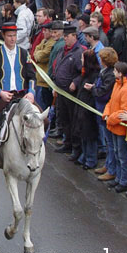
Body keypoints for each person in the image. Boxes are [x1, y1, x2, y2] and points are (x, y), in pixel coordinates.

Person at [0, 23, 36, 178]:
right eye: (10, 36)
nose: (13, 39)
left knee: (42, 122)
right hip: (4, 96)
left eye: (14, 36)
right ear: (4, 36)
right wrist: (0, 92)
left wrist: (31, 93)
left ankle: (35, 154)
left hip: (22, 96)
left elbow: (32, 76)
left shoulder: (24, 53)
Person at [52, 24, 85, 157]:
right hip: (60, 90)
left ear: (74, 36)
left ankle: (76, 148)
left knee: (73, 120)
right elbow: (57, 67)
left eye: (67, 36)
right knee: (64, 119)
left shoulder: (78, 52)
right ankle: (67, 143)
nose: (65, 38)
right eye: (64, 36)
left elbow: (82, 72)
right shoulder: (62, 50)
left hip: (71, 93)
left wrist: (75, 82)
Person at [102, 61, 127, 193]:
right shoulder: (117, 84)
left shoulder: (126, 89)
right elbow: (110, 102)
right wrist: (106, 114)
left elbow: (124, 110)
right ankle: (119, 178)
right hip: (114, 125)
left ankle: (124, 181)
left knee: (122, 155)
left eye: (115, 70)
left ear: (120, 73)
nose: (113, 72)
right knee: (116, 152)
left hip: (119, 127)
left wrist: (110, 118)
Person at [92, 48, 118, 182]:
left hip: (106, 110)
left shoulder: (110, 75)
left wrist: (93, 89)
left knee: (111, 143)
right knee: (108, 142)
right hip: (101, 109)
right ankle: (108, 165)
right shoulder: (105, 72)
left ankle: (112, 169)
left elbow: (103, 92)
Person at [74, 49, 100, 169]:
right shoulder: (85, 74)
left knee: (89, 136)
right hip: (81, 107)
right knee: (82, 134)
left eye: (83, 59)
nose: (81, 60)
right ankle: (84, 156)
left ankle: (90, 159)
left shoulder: (94, 75)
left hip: (88, 110)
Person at [33, 21, 55, 111]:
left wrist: (37, 54)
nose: (43, 32)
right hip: (39, 79)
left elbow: (41, 56)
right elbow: (35, 50)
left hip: (45, 81)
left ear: (50, 31)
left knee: (42, 108)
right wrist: (37, 53)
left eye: (45, 30)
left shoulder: (51, 43)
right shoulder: (44, 41)